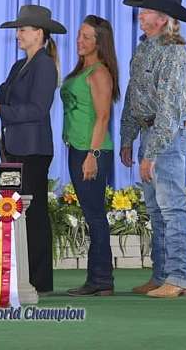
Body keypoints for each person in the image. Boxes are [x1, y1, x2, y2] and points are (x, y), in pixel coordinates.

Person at [0, 4, 66, 295]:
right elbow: (0, 96)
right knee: (16, 213)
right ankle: (19, 273)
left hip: (32, 150)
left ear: (38, 33)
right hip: (16, 148)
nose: (18, 34)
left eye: (23, 29)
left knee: (34, 213)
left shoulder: (44, 66)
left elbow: (37, 109)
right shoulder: (20, 66)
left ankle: (40, 280)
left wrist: (0, 110)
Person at [120, 0, 186, 298]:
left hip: (169, 132)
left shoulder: (174, 53)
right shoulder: (144, 49)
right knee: (156, 208)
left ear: (163, 19)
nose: (142, 15)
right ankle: (162, 274)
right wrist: (128, 136)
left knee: (171, 206)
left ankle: (179, 277)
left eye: (148, 11)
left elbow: (170, 108)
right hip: (151, 129)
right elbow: (132, 95)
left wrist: (150, 153)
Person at [61, 15, 120, 297]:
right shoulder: (82, 70)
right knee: (92, 214)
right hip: (78, 148)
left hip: (91, 150)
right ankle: (99, 279)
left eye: (86, 37)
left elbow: (103, 116)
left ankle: (101, 280)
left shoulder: (99, 73)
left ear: (100, 42)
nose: (79, 41)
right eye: (79, 35)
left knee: (95, 216)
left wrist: (93, 155)